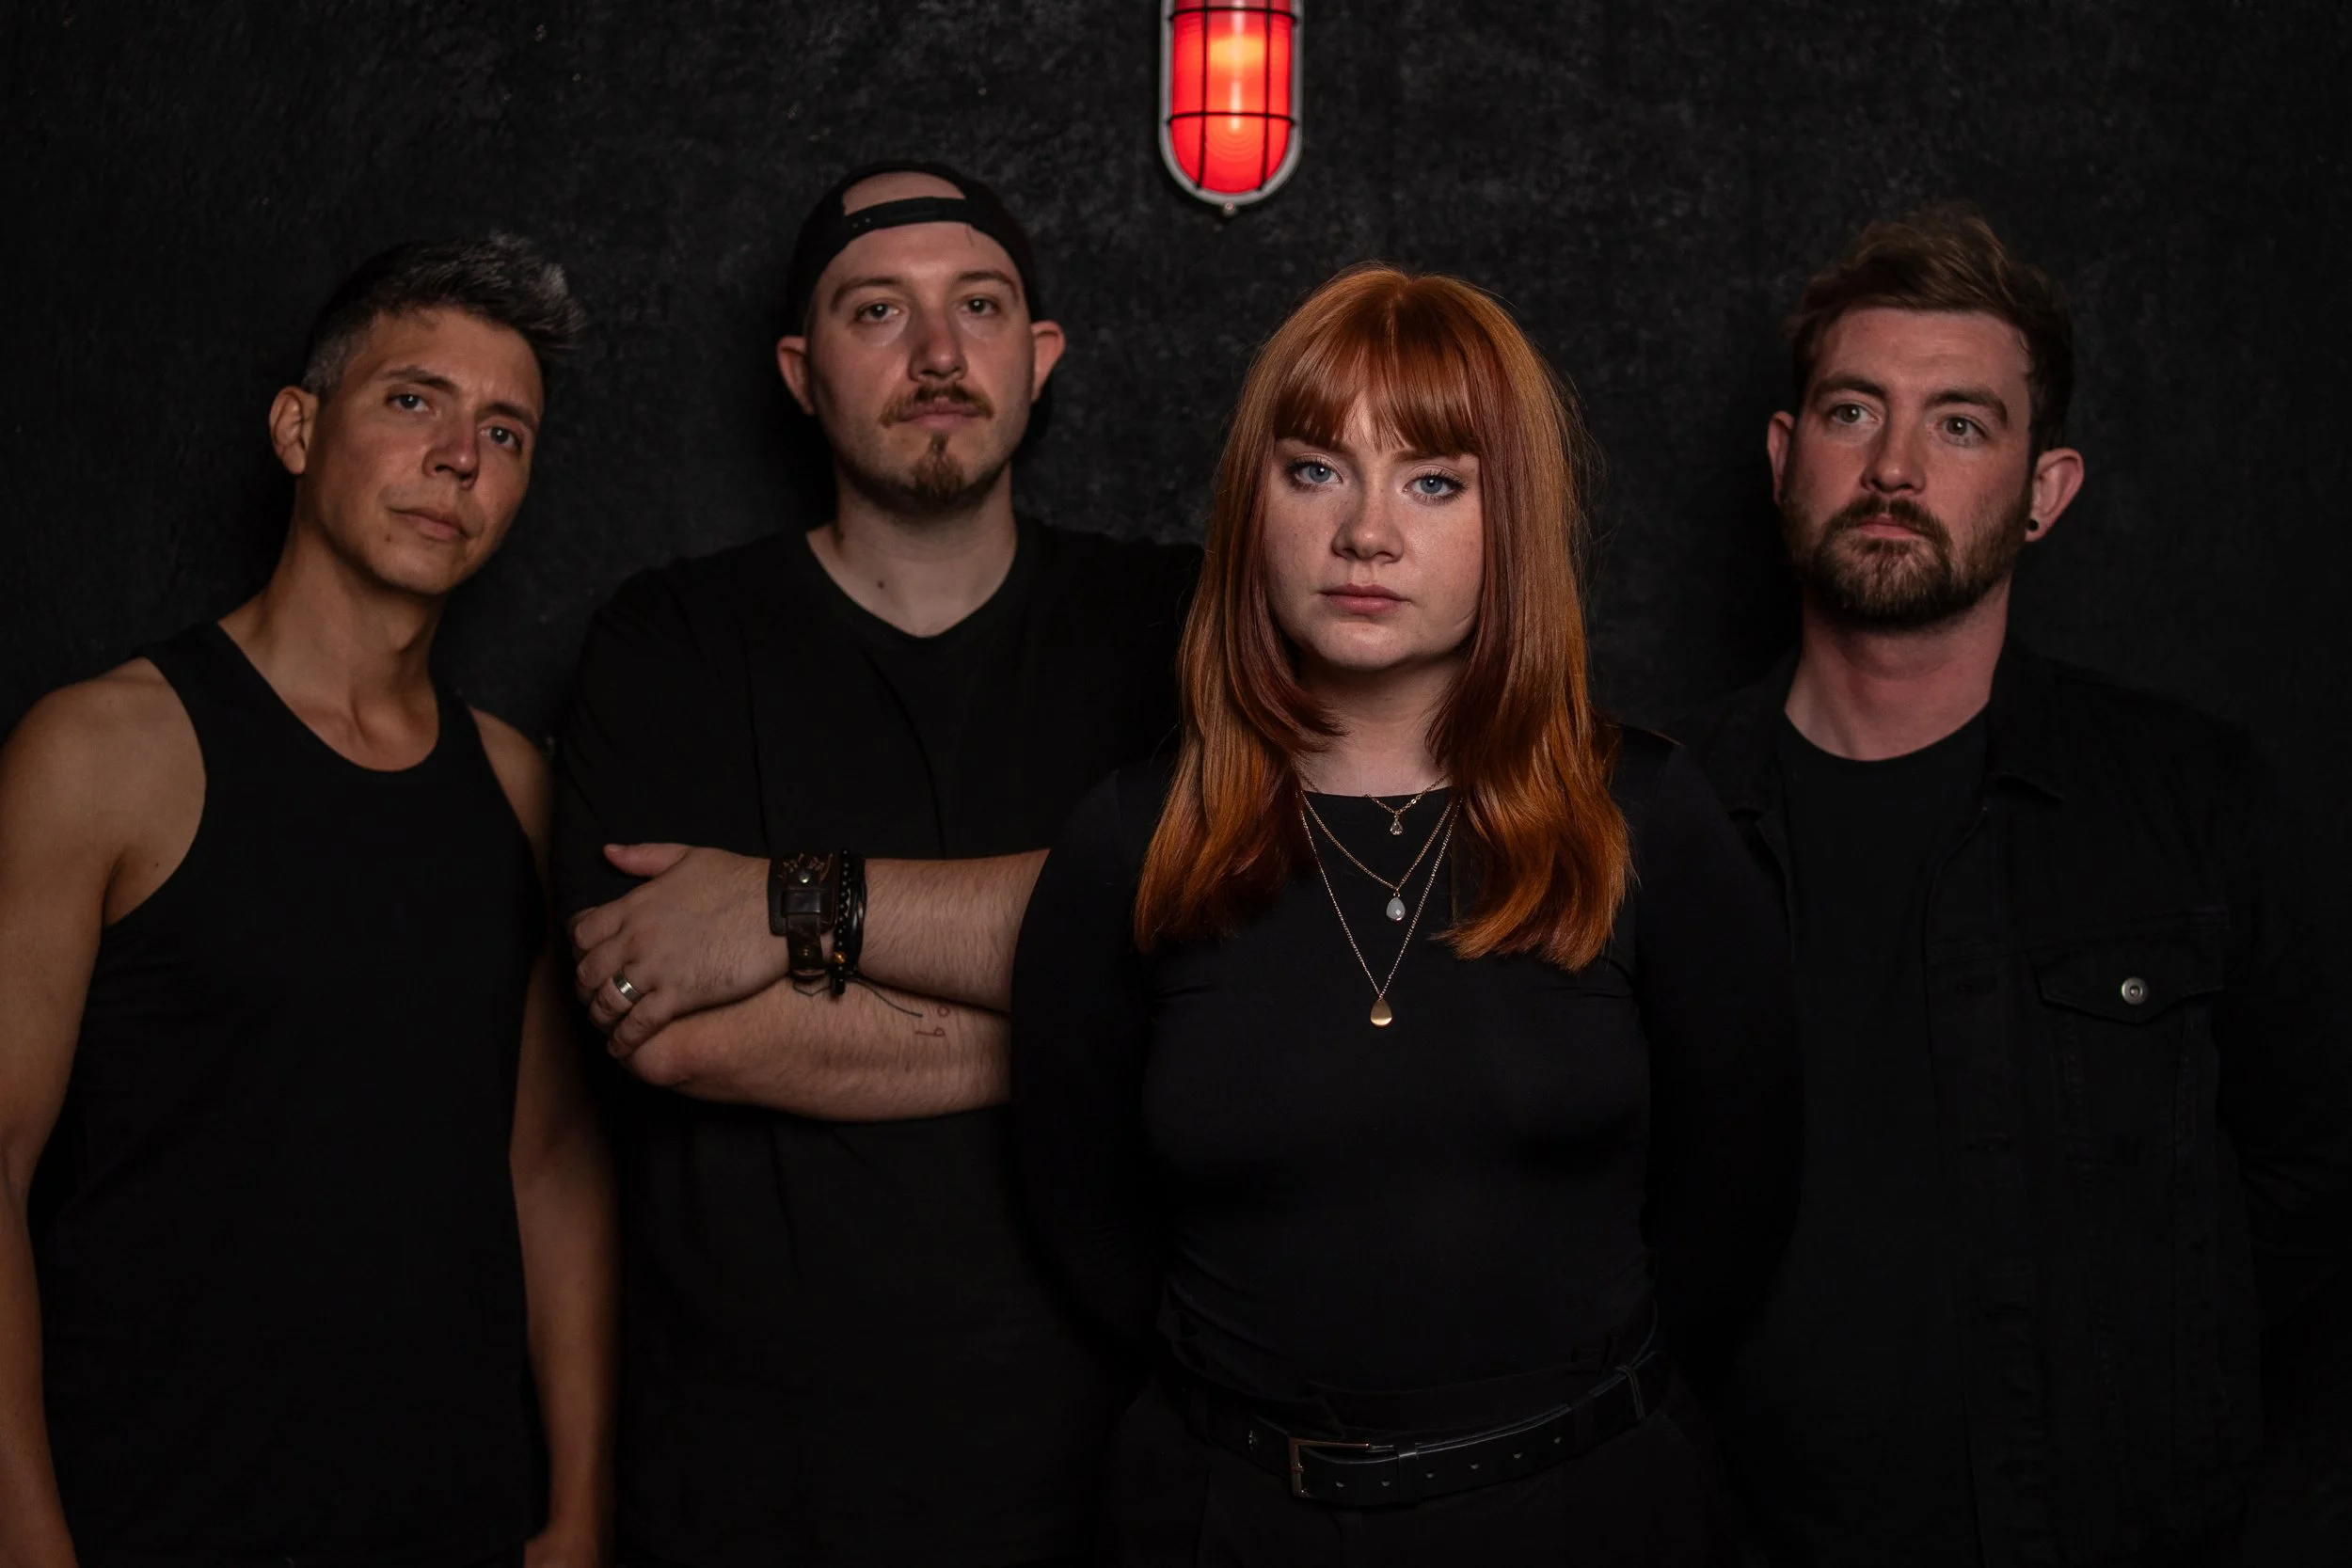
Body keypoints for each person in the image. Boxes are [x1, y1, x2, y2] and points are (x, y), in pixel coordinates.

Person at [1007, 264, 1802, 1566]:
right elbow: (1079, 1207)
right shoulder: (1133, 837)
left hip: (1584, 1514)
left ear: (1512, 522)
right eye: (1316, 470)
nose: (1365, 532)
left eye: (1434, 482)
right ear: (1252, 504)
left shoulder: (1648, 818)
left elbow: (1739, 1203)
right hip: (1228, 1519)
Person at [1676, 205, 2352, 1567]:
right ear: (1784, 455)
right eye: (1854, 412)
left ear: (2046, 491)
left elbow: (2313, 1185)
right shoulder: (1652, 822)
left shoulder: (2195, 807)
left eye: (1962, 425)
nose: (1895, 466)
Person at [551, 162, 1199, 1566]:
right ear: (801, 371)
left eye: (981, 305)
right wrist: (1117, 1022)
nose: (939, 353)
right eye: (877, 311)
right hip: (750, 1489)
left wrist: (785, 902)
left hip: (1110, 1480)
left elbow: (1243, 938)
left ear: (1040, 355)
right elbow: (668, 1031)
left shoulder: (1179, 625)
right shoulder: (669, 643)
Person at [0, 237, 616, 1568]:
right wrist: (28, 1534)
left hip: (456, 1520)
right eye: (413, 399)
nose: (459, 457)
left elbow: (549, 1164)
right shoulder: (104, 751)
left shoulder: (517, 788)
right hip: (159, 1516)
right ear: (296, 428)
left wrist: (577, 1510)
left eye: (504, 431)